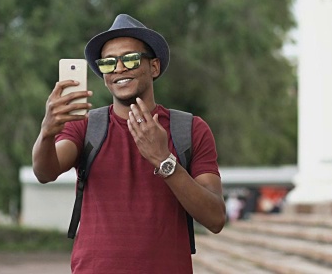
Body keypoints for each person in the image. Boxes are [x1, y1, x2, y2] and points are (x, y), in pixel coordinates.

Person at [32, 14, 227, 273]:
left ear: (154, 67)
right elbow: (45, 172)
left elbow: (215, 218)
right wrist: (46, 133)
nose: (119, 69)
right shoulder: (86, 126)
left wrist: (164, 160)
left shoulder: (190, 130)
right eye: (108, 63)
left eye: (131, 59)